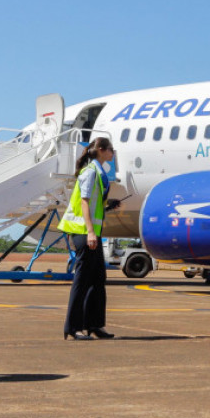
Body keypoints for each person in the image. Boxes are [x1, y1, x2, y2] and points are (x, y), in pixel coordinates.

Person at [60, 137, 118, 340]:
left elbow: (93, 203)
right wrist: (91, 232)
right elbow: (84, 202)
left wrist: (108, 205)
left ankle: (93, 325)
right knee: (82, 280)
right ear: (101, 150)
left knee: (98, 279)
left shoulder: (98, 172)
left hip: (91, 232)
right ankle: (72, 327)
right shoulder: (91, 171)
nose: (112, 153)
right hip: (84, 232)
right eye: (110, 149)